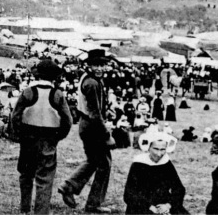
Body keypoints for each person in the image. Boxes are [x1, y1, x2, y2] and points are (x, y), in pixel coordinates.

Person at [10, 59, 73, 214]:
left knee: (26, 174)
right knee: (45, 178)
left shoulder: (28, 92)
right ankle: (41, 211)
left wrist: (19, 134)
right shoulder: (57, 94)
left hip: (28, 139)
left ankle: (24, 208)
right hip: (48, 139)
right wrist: (58, 137)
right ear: (54, 77)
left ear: (37, 75)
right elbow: (68, 120)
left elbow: (15, 116)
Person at [58, 49, 114, 213]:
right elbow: (95, 113)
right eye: (96, 64)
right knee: (103, 163)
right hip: (92, 127)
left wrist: (107, 111)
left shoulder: (90, 79)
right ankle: (90, 202)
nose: (99, 68)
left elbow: (95, 107)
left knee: (97, 161)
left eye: (102, 65)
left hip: (87, 124)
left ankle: (70, 187)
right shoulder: (92, 83)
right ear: (88, 65)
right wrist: (107, 135)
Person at [123, 129, 188, 214]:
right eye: (156, 149)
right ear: (149, 147)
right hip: (141, 204)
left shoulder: (166, 163)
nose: (159, 154)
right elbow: (129, 193)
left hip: (163, 204)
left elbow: (179, 188)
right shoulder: (138, 164)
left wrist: (168, 205)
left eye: (162, 149)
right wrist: (149, 207)